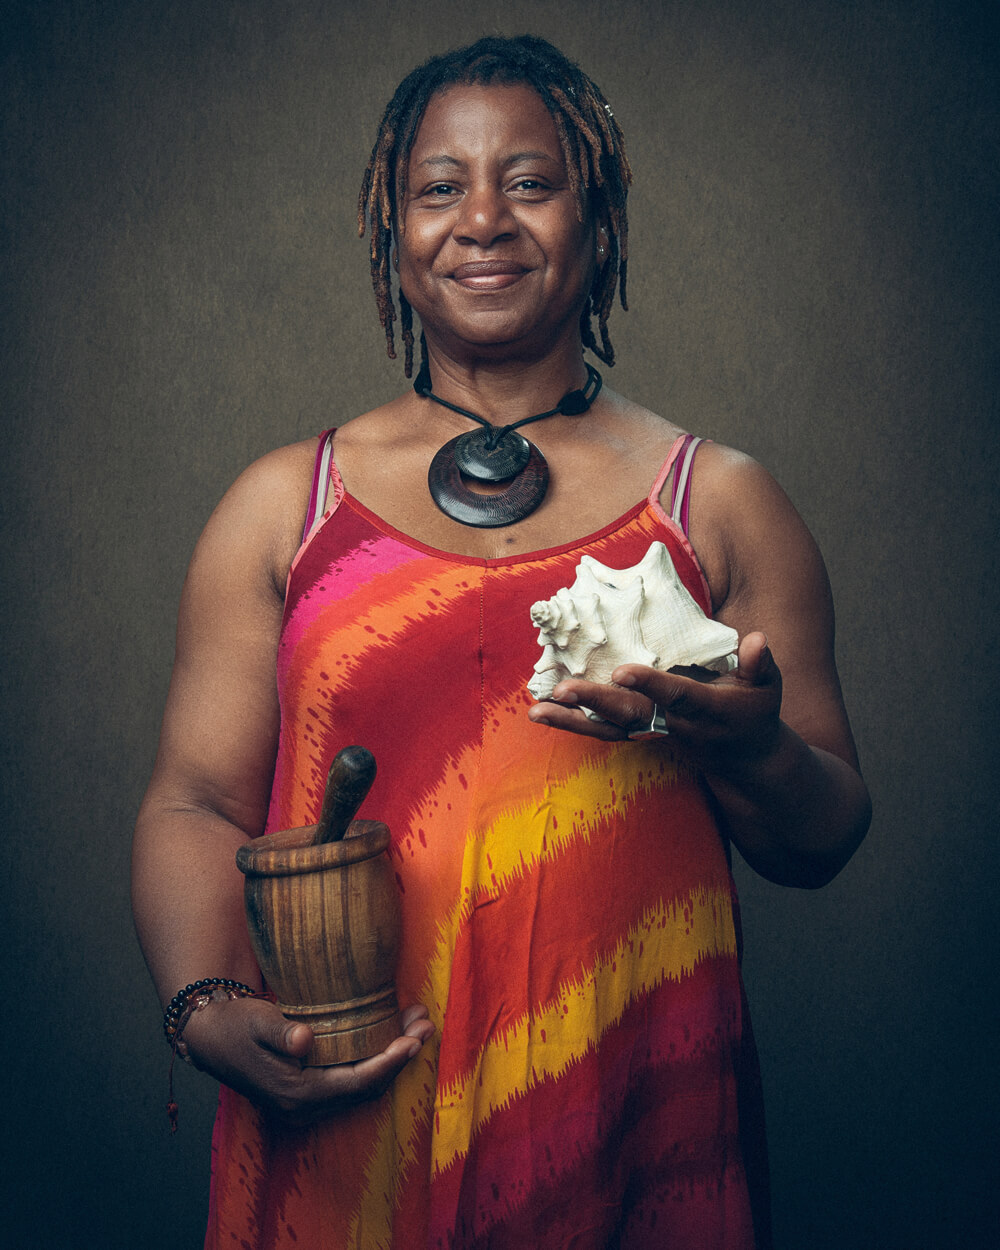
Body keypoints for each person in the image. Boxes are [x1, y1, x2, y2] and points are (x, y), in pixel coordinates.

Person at [132, 34, 871, 1250]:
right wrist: (204, 1002)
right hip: (348, 1096)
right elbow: (195, 800)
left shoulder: (714, 502)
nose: (483, 219)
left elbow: (827, 826)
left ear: (599, 214)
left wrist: (742, 747)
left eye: (530, 182)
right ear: (393, 228)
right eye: (439, 187)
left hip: (629, 1101)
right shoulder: (286, 504)